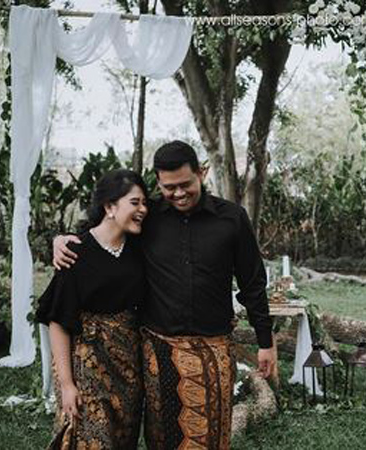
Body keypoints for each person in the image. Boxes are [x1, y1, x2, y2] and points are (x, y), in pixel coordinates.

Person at [54, 141, 275, 450]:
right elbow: (106, 234)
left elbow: (253, 283)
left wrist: (266, 341)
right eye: (169, 187)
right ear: (158, 183)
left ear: (202, 172)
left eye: (186, 184)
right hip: (158, 353)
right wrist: (64, 240)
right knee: (162, 438)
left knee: (210, 438)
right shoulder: (148, 217)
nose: (179, 193)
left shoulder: (232, 219)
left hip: (214, 350)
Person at [37, 169, 149, 449]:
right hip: (87, 368)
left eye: (145, 203)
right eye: (135, 203)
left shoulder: (139, 247)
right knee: (91, 439)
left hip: (128, 370)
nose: (143, 209)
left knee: (123, 438)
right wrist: (66, 384)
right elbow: (58, 321)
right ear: (110, 207)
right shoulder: (75, 251)